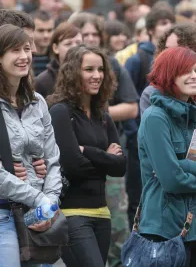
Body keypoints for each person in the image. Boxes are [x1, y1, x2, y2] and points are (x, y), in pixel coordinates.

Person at [137, 46, 196, 266]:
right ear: (169, 73)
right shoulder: (155, 117)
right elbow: (171, 181)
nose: (195, 76)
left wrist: (185, 165)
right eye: (187, 71)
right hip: (164, 228)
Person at [48, 45, 126, 267]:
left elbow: (121, 167)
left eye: (100, 69)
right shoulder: (61, 112)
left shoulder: (103, 115)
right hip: (73, 213)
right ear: (73, 72)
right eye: (89, 69)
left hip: (102, 213)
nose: (97, 75)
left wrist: (88, 151)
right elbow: (73, 165)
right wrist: (105, 159)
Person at [0, 24, 62, 267]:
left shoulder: (37, 102)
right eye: (15, 50)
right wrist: (40, 199)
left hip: (36, 216)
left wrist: (48, 205)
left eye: (27, 49)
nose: (24, 56)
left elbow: (53, 159)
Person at [35, 22, 82, 98]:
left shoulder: (90, 75)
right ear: (55, 48)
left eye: (78, 43)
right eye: (68, 44)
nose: (74, 47)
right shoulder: (43, 82)